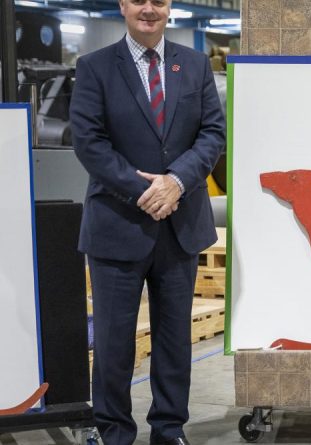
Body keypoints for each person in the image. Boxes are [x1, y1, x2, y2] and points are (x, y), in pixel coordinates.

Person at [69, 0, 225, 442]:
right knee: (116, 344)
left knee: (174, 340)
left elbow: (213, 132)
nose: (149, 10)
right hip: (118, 224)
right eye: (139, 0)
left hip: (180, 225)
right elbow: (89, 142)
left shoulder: (194, 66)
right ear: (123, 5)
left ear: (169, 7)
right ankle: (113, 431)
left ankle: (169, 429)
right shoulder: (95, 67)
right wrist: (147, 191)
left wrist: (177, 182)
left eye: (158, 1)